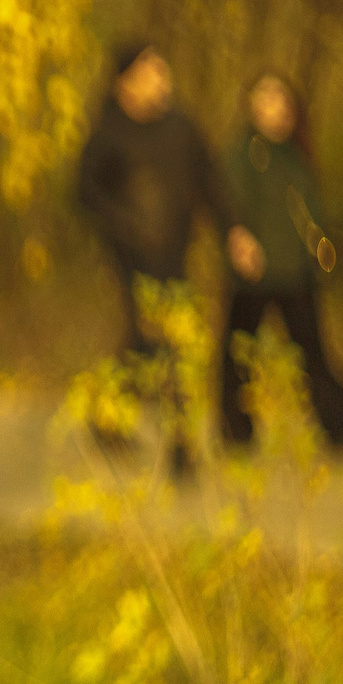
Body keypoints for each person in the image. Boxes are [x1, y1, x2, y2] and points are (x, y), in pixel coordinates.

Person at [75, 42, 262, 475]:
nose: (162, 79)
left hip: (177, 251)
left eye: (163, 69)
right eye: (150, 71)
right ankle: (181, 447)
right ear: (125, 84)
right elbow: (85, 194)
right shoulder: (108, 134)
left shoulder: (182, 128)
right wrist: (126, 223)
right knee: (167, 341)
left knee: (147, 343)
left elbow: (211, 182)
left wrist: (234, 232)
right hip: (131, 256)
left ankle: (106, 418)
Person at [218, 71, 343, 451]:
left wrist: (320, 252)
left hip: (295, 274)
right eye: (266, 99)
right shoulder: (243, 154)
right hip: (253, 275)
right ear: (252, 106)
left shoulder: (296, 154)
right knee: (237, 358)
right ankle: (236, 432)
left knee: (312, 355)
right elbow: (228, 206)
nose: (275, 109)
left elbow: (311, 210)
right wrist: (238, 241)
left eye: (282, 100)